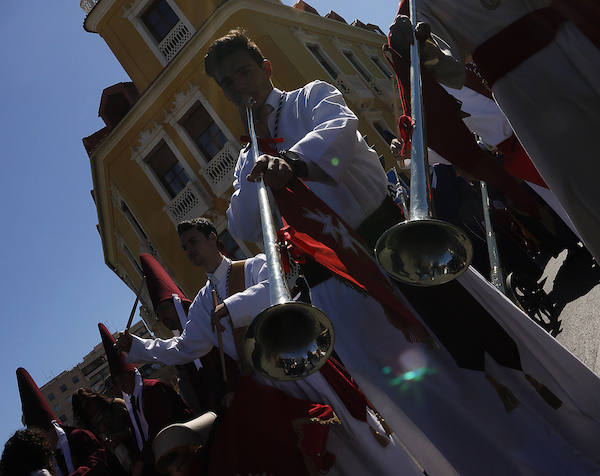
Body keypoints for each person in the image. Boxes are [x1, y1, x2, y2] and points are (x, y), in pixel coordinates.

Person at [203, 27, 600, 476]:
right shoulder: (244, 159)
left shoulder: (308, 98)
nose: (240, 87)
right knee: (427, 404)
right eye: (228, 84)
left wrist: (290, 162)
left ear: (265, 68)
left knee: (480, 371)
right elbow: (244, 224)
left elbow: (341, 132)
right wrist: (255, 163)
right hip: (339, 290)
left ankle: (569, 458)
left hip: (393, 252)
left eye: (244, 73)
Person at [354, 0, 600, 264]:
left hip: (576, 43)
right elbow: (452, 69)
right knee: (588, 186)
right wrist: (418, 50)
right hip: (525, 90)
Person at [115, 218, 418, 476]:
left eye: (193, 241)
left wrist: (233, 307)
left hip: (299, 363)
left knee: (349, 428)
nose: (189, 251)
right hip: (267, 386)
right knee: (320, 453)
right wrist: (139, 347)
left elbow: (277, 286)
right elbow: (184, 347)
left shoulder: (254, 266)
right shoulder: (203, 301)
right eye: (184, 247)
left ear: (212, 239)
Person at [137, 252, 238, 415]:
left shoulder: (207, 321)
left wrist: (232, 389)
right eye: (158, 314)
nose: (162, 318)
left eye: (164, 309)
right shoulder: (179, 351)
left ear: (176, 304)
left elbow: (232, 357)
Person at [97, 324, 192, 474]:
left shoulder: (153, 390)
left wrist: (142, 462)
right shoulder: (132, 402)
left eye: (121, 380)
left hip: (179, 456)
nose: (120, 386)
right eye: (117, 383)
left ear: (130, 374)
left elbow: (160, 430)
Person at [16, 367, 115, 476]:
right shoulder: (45, 460)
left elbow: (99, 460)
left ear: (51, 429)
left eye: (41, 437)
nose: (41, 444)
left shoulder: (80, 437)